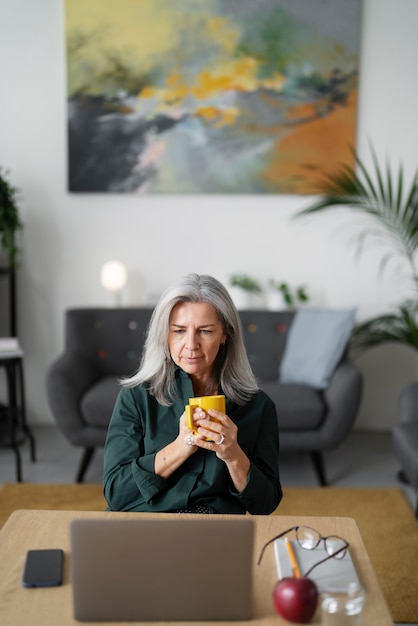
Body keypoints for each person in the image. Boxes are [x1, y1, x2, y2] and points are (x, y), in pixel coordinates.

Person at [103, 273, 282, 514]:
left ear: (225, 334)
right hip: (146, 525)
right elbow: (116, 494)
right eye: (178, 331)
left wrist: (233, 454)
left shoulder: (258, 407)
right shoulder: (135, 398)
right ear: (165, 334)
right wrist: (180, 447)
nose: (191, 344)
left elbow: (266, 505)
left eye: (205, 331)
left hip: (215, 531)